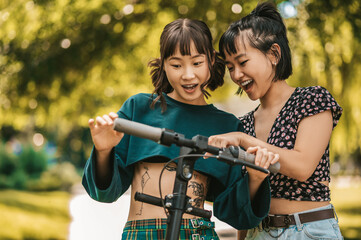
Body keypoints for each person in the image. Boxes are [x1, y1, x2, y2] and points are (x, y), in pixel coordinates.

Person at [82, 18, 279, 240]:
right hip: (141, 233)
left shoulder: (226, 126)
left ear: (211, 62)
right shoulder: (138, 108)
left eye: (197, 63)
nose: (187, 74)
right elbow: (104, 193)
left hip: (198, 234)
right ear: (163, 64)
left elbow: (236, 214)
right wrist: (103, 150)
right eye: (176, 65)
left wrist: (254, 178)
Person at [207, 2, 343, 240]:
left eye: (242, 62)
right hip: (257, 233)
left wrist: (242, 140)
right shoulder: (244, 123)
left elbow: (302, 167)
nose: (236, 75)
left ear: (274, 54)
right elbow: (246, 201)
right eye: (230, 67)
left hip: (309, 231)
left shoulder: (312, 99)